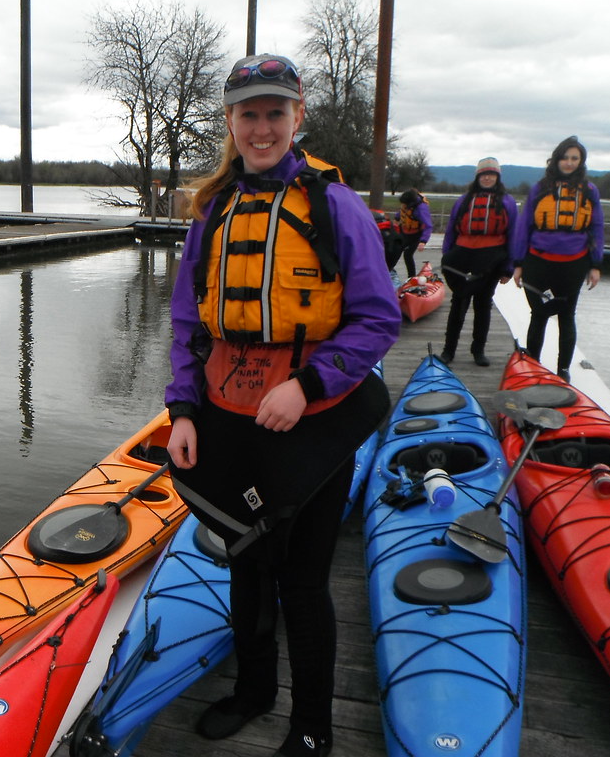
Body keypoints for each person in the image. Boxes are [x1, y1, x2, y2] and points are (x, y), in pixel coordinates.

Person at [163, 53, 401, 757]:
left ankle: (313, 727)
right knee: (245, 559)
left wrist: (308, 386)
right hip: (227, 412)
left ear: (298, 118)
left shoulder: (336, 206)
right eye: (249, 114)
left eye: (275, 113)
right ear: (230, 121)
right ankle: (254, 691)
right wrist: (183, 410)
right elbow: (188, 324)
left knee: (302, 577)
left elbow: (377, 317)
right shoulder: (213, 210)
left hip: (310, 418)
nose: (261, 128)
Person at [511, 136, 604, 381]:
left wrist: (595, 264)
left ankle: (563, 371)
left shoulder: (590, 191)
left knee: (567, 315)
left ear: (581, 161)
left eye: (575, 158)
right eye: (565, 157)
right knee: (539, 314)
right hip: (538, 262)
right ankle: (533, 366)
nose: (569, 162)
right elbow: (523, 227)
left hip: (574, 263)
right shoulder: (539, 189)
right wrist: (518, 263)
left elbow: (596, 227)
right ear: (556, 159)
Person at [438, 157, 518, 367]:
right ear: (478, 177)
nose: (487, 178)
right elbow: (451, 230)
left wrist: (508, 268)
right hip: (463, 255)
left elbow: (513, 235)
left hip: (492, 258)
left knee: (483, 305)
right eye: (484, 174)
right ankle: (448, 350)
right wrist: (447, 256)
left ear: (497, 177)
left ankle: (478, 350)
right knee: (459, 303)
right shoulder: (464, 201)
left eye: (491, 174)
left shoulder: (507, 202)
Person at [395, 188, 433, 278]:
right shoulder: (406, 204)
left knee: (408, 254)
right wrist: (396, 218)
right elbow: (402, 212)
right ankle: (388, 271)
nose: (403, 205)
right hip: (404, 232)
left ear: (410, 203)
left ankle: (411, 277)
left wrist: (423, 241)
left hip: (416, 235)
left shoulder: (421, 208)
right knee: (395, 251)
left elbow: (428, 226)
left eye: (405, 203)